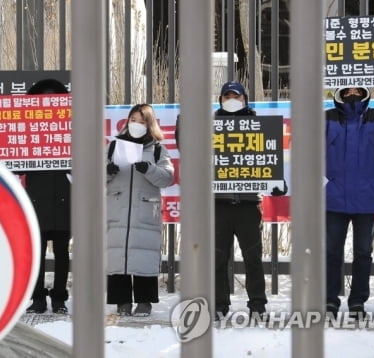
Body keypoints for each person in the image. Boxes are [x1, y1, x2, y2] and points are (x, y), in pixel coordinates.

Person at [189, 81, 287, 320]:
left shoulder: (260, 127)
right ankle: (220, 305)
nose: (231, 100)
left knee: (253, 257)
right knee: (217, 258)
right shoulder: (208, 128)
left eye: (236, 96)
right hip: (218, 204)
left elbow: (269, 162)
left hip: (248, 205)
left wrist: (276, 184)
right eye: (227, 96)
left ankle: (257, 305)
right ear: (220, 100)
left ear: (245, 99)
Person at [325, 77, 374, 320]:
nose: (353, 93)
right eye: (347, 89)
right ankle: (329, 300)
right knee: (331, 252)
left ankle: (358, 301)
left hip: (367, 198)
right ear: (339, 91)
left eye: (358, 89)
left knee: (363, 252)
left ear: (366, 91)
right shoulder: (326, 118)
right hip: (334, 198)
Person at [106, 103, 174, 317]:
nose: (136, 125)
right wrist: (108, 171)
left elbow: (167, 177)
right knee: (118, 253)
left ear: (149, 124)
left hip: (145, 210)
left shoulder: (157, 149)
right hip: (117, 208)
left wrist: (149, 168)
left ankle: (144, 301)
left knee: (144, 254)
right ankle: (121, 301)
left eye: (142, 121)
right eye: (133, 120)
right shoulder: (113, 147)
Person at [21, 79, 72, 314]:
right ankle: (38, 298)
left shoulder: (72, 126)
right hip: (35, 196)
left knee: (62, 251)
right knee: (36, 251)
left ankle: (59, 298)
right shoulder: (24, 127)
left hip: (64, 196)